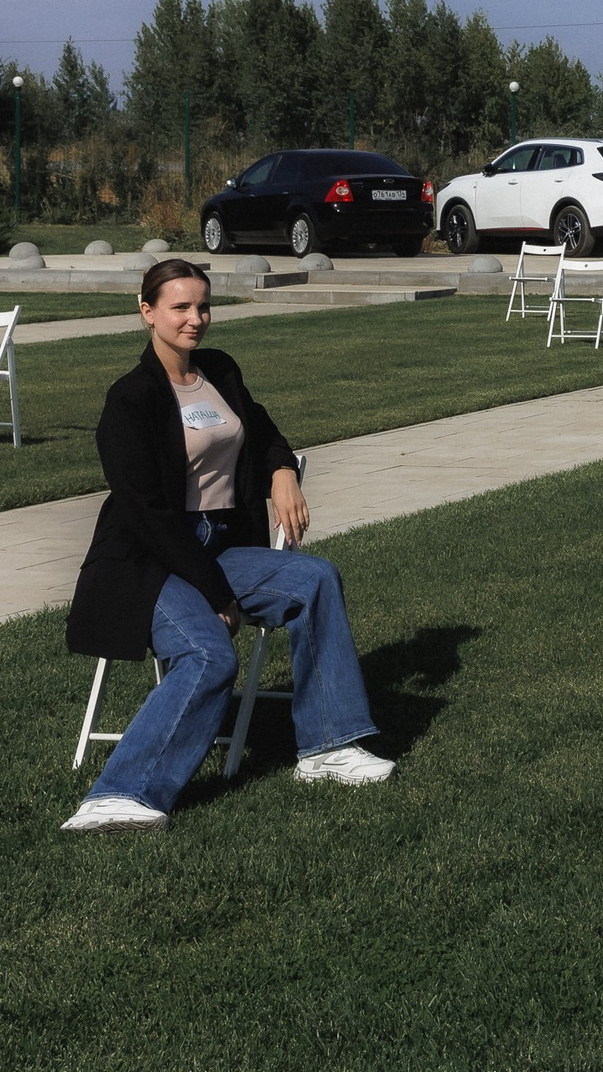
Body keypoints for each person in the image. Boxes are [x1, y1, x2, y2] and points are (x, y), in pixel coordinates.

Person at [61, 257, 394, 831]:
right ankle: (119, 794)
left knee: (315, 578)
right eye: (180, 307)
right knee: (211, 652)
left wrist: (283, 471)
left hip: (220, 546)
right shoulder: (130, 399)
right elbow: (145, 513)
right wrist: (216, 593)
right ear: (147, 312)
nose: (196, 319)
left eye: (203, 306)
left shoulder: (219, 370)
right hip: (150, 558)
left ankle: (327, 749)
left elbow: (261, 432)